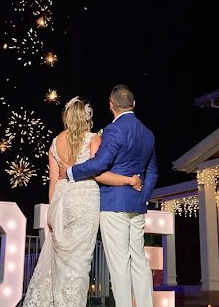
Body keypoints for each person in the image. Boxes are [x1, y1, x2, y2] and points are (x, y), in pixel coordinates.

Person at [23, 97, 143, 307]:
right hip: (85, 201)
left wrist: (52, 213)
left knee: (60, 260)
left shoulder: (55, 142)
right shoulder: (93, 139)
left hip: (61, 201)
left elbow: (53, 182)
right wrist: (129, 180)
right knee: (79, 261)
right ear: (87, 117)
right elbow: (99, 174)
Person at [65, 84, 158, 307]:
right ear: (133, 104)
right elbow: (153, 171)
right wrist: (142, 196)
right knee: (139, 260)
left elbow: (100, 163)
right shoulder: (148, 133)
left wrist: (71, 172)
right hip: (137, 204)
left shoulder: (114, 130)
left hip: (113, 203)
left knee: (119, 264)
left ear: (110, 104)